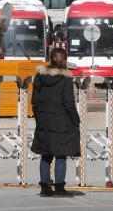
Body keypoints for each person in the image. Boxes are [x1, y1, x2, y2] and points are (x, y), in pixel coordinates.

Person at [31, 47, 80, 197]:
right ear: (64, 60)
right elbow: (69, 103)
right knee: (60, 155)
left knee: (45, 155)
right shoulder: (65, 79)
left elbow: (35, 101)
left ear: (50, 59)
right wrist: (75, 119)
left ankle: (45, 187)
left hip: (44, 121)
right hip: (62, 122)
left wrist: (39, 117)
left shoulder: (39, 77)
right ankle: (59, 187)